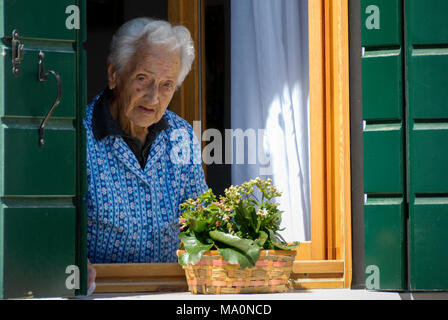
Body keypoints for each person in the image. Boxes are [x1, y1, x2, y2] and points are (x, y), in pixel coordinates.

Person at [84, 18, 208, 292]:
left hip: (167, 290)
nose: (154, 98)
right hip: (102, 293)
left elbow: (201, 223)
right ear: (114, 74)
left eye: (166, 85)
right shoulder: (77, 137)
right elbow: (51, 232)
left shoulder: (181, 135)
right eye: (143, 79)